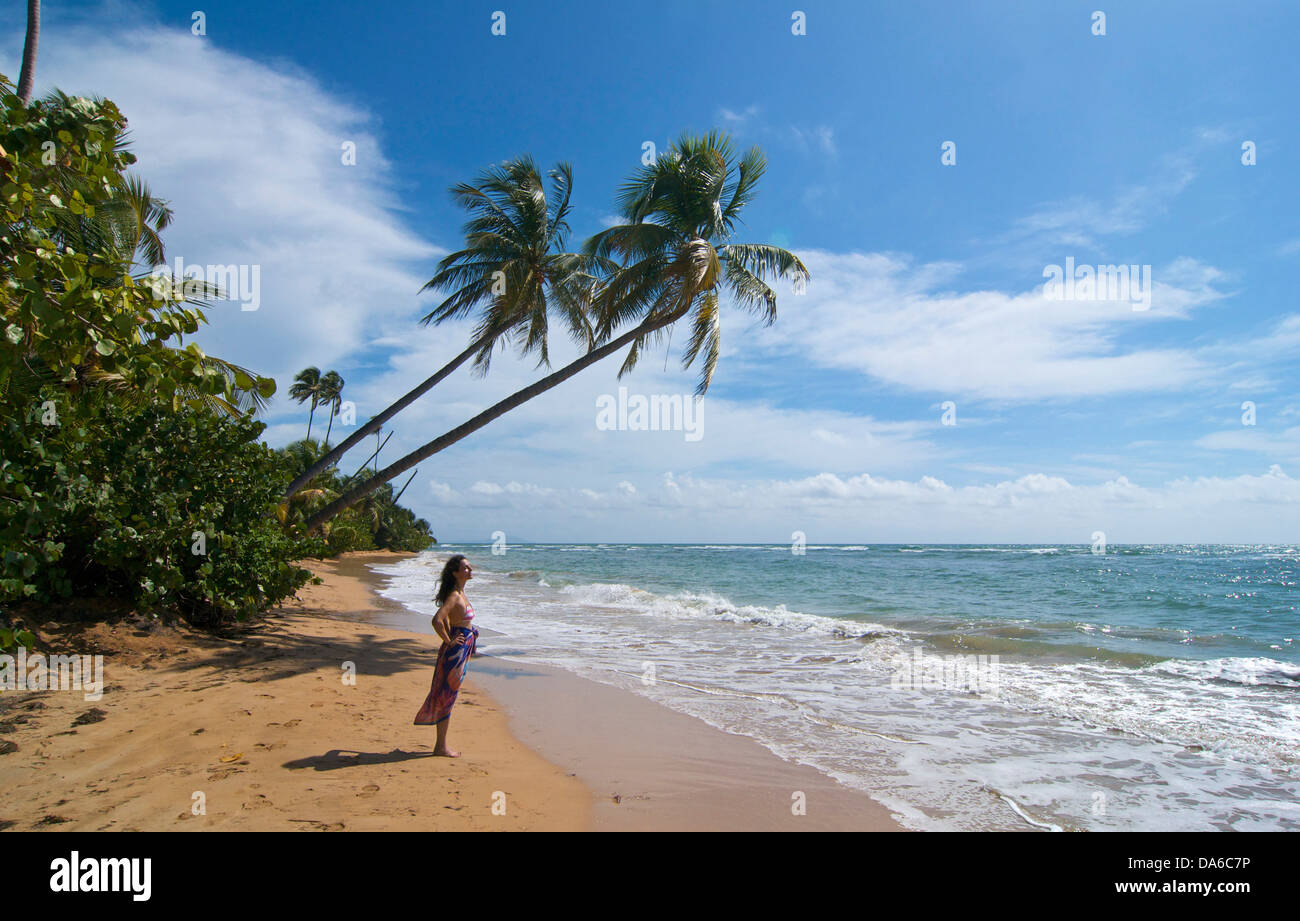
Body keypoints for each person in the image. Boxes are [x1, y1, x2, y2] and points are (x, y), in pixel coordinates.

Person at [413, 554, 478, 756]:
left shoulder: (460, 593)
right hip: (455, 651)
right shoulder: (454, 596)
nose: (470, 570)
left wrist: (464, 633)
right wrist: (449, 640)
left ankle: (440, 745)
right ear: (455, 572)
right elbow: (437, 620)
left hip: (461, 648)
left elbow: (455, 620)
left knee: (448, 694)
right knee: (447, 695)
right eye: (465, 568)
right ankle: (440, 746)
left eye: (469, 567)